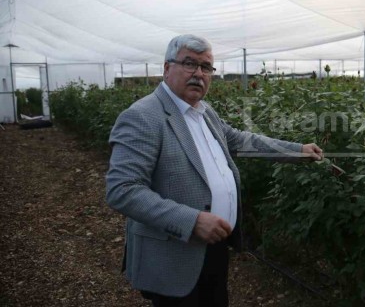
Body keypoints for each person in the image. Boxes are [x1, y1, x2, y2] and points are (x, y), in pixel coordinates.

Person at [106, 34, 323, 307]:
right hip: (175, 250)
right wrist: (193, 221)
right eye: (189, 64)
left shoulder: (203, 112)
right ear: (166, 68)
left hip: (214, 244)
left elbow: (243, 141)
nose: (198, 74)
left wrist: (297, 150)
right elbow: (122, 190)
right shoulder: (143, 116)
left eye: (206, 67)